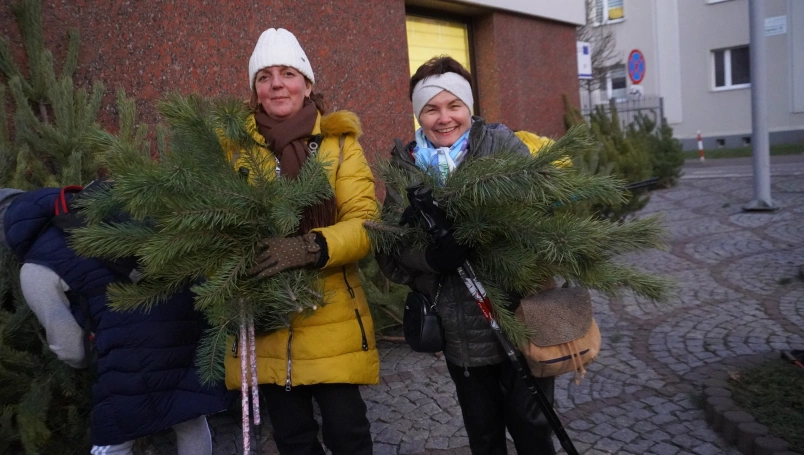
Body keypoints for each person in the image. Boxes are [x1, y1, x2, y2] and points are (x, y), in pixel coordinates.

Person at [375, 56, 557, 455]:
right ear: (418, 114)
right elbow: (391, 250)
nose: (444, 118)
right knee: (484, 433)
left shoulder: (501, 145)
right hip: (461, 332)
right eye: (431, 108)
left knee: (532, 428)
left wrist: (484, 230)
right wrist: (434, 258)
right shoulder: (405, 166)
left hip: (521, 316)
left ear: (469, 107)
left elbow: (541, 216)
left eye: (453, 105)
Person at [220, 28, 378, 455]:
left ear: (307, 84)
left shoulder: (339, 144)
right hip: (268, 322)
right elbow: (211, 219)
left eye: (288, 73)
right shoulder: (232, 149)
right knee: (293, 440)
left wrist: (312, 247)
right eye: (265, 76)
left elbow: (365, 223)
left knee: (349, 435)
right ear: (254, 91)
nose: (276, 84)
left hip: (331, 316)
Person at [0, 186, 229, 455]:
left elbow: (70, 346)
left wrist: (89, 356)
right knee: (188, 416)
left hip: (127, 350)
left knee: (112, 439)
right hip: (185, 317)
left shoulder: (35, 268)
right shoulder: (93, 213)